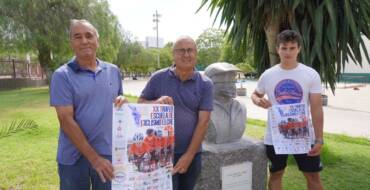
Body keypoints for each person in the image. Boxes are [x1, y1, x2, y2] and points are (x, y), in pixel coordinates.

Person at [50, 19, 128, 190]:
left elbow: (118, 100)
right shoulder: (62, 76)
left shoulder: (113, 71)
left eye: (89, 36)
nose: (84, 41)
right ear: (72, 43)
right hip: (73, 159)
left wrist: (123, 101)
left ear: (97, 41)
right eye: (77, 37)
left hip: (108, 155)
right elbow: (66, 121)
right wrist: (94, 159)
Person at [251, 30, 324, 190]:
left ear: (299, 49)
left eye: (292, 48)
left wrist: (319, 139)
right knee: (276, 174)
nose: (288, 52)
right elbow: (256, 94)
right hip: (275, 136)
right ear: (277, 49)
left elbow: (316, 108)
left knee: (312, 176)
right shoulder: (268, 75)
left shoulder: (311, 74)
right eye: (284, 48)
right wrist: (257, 100)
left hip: (304, 135)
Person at [138, 36, 213, 190]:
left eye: (190, 50)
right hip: (159, 153)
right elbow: (140, 104)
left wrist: (189, 156)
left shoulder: (206, 84)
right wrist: (155, 103)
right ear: (173, 54)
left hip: (191, 153)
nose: (186, 54)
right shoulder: (158, 78)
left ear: (196, 53)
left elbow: (203, 122)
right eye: (181, 51)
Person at [203, 62, 246, 144]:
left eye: (232, 81)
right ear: (210, 84)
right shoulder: (204, 108)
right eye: (223, 82)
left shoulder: (240, 106)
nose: (231, 86)